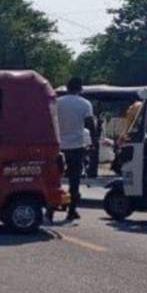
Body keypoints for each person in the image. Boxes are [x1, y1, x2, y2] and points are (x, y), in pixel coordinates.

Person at [56, 77, 95, 222]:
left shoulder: (57, 102)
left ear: (67, 87)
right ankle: (71, 210)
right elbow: (90, 125)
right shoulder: (85, 104)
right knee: (74, 181)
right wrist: (94, 143)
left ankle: (50, 210)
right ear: (80, 88)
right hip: (76, 147)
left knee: (55, 179)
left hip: (58, 146)